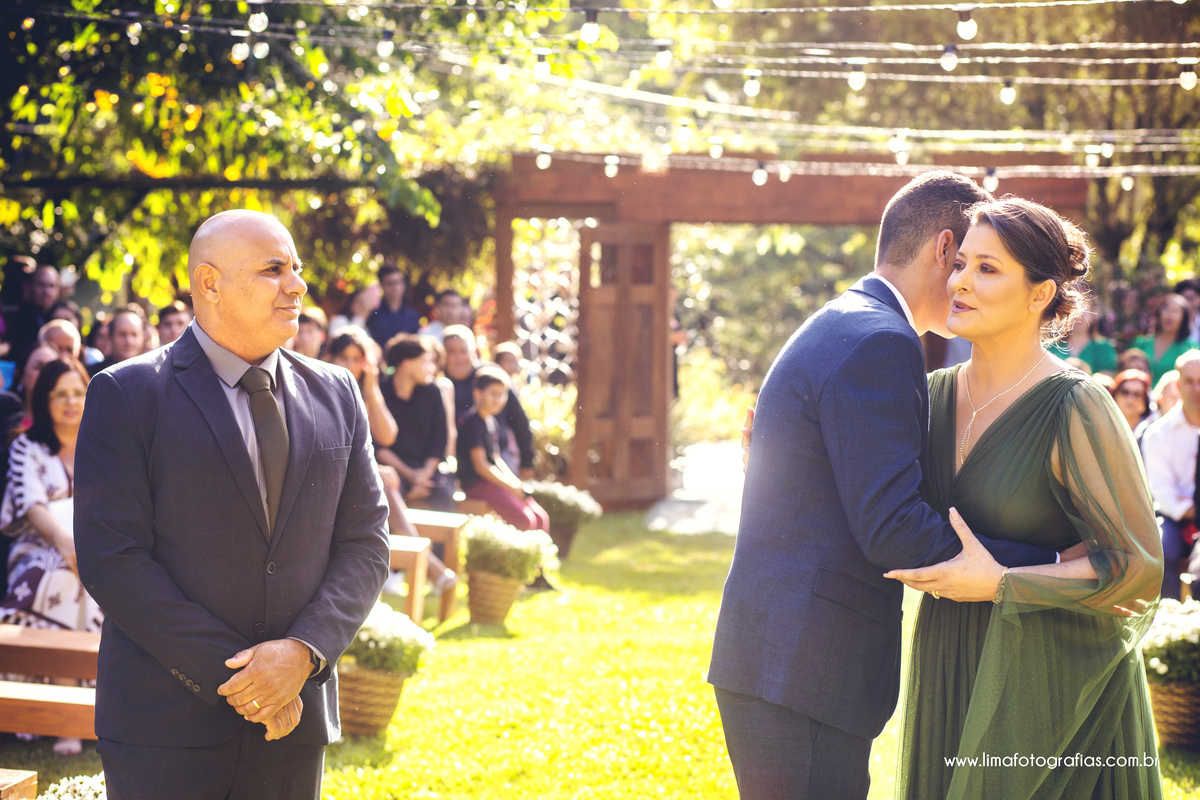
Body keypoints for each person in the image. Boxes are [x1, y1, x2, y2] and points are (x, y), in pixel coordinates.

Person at [710, 172, 1060, 799]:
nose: (967, 283)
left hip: (779, 658)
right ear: (942, 249)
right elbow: (893, 528)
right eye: (969, 262)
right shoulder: (881, 341)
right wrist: (1049, 565)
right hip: (803, 668)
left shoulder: (847, 321)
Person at [74, 210, 391, 800]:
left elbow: (366, 545)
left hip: (293, 726)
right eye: (274, 270)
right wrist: (249, 681)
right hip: (165, 727)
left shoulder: (338, 391)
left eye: (294, 268)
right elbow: (112, 558)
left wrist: (301, 656)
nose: (297, 285)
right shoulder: (126, 393)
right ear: (209, 283)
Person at [886, 198, 1162, 799]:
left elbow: (1137, 568)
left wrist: (1004, 583)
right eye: (960, 263)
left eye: (988, 269)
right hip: (953, 655)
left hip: (1056, 675)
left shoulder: (1075, 405)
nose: (959, 281)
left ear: (1041, 294)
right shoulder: (927, 395)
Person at [0, 358, 99, 757]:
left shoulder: (105, 441)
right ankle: (67, 714)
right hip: (40, 550)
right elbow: (31, 504)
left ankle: (94, 706)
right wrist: (65, 544)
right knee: (61, 577)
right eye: (61, 394)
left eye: (78, 392)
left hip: (97, 548)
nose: (71, 402)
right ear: (45, 400)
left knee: (105, 579)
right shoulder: (27, 446)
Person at [456, 366, 549, 532]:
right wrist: (510, 487)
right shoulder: (471, 423)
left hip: (494, 483)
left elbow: (496, 458)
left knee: (541, 518)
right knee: (525, 520)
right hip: (478, 485)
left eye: (502, 394)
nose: (498, 399)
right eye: (493, 394)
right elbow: (481, 465)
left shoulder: (491, 422)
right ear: (477, 394)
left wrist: (515, 482)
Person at [444, 325, 535, 480]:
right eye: (452, 352)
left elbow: (519, 420)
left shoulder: (492, 375)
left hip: (494, 455)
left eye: (464, 351)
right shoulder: (439, 382)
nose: (459, 358)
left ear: (474, 351)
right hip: (455, 459)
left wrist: (527, 462)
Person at [1144, 351, 1200, 602]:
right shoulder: (1158, 433)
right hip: (1175, 518)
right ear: (1178, 384)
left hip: (1187, 507)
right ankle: (1169, 621)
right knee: (1160, 555)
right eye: (1189, 381)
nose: (1196, 388)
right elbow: (1163, 493)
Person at [377, 334, 455, 511]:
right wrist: (410, 475)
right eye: (425, 361)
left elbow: (440, 438)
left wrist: (424, 475)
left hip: (428, 469)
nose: (432, 368)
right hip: (395, 468)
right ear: (406, 364)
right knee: (388, 491)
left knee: (444, 492)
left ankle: (442, 540)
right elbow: (377, 445)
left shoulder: (433, 391)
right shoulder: (380, 392)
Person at [324, 326, 398, 450]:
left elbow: (388, 437)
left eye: (356, 359)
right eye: (344, 357)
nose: (350, 365)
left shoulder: (366, 391)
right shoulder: (320, 390)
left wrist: (372, 387)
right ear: (330, 358)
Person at [1130, 293, 1197, 384]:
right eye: (1166, 309)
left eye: (1175, 312)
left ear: (1184, 318)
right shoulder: (1140, 343)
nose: (1169, 315)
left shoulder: (1191, 348)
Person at [6, 266, 61, 357]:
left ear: (58, 290)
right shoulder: (14, 318)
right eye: (41, 285)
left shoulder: (63, 316)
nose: (46, 292)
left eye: (51, 286)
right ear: (28, 286)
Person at [1048, 304, 1118, 374]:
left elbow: (1106, 377)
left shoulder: (1104, 347)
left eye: (1084, 314)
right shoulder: (1051, 347)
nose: (1079, 318)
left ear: (1092, 316)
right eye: (1075, 314)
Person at [367, 265, 420, 348]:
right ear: (381, 285)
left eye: (398, 282)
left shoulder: (412, 316)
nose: (395, 287)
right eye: (390, 283)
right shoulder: (372, 315)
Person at [87, 306, 147, 376]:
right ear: (110, 337)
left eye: (134, 335)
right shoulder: (94, 375)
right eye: (122, 334)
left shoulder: (152, 374)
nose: (129, 341)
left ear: (143, 337)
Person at [1109, 368, 1152, 432]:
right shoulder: (1102, 426)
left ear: (1144, 402)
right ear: (1114, 396)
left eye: (1137, 394)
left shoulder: (1153, 431)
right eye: (1125, 392)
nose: (1130, 399)